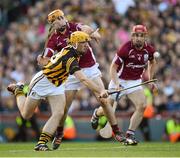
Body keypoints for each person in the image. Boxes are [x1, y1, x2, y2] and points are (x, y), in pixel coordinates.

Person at [38, 9, 126, 150]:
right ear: (52, 24)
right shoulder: (53, 39)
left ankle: (117, 132)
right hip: (71, 73)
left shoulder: (74, 26)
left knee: (103, 100)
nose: (61, 20)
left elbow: (86, 28)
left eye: (61, 17)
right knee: (64, 108)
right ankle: (60, 133)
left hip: (89, 68)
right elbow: (46, 58)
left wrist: (93, 33)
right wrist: (43, 61)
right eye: (57, 19)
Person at [7, 31, 110, 151]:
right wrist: (101, 90)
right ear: (75, 43)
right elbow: (83, 79)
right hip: (43, 82)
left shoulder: (75, 52)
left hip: (57, 84)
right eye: (83, 42)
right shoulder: (70, 58)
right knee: (26, 115)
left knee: (59, 113)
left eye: (87, 42)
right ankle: (19, 91)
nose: (86, 45)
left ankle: (41, 143)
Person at [91, 25, 158, 145]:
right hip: (119, 79)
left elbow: (152, 62)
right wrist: (117, 84)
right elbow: (113, 68)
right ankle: (96, 113)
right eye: (136, 35)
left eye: (141, 36)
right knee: (107, 108)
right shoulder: (125, 49)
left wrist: (151, 79)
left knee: (142, 105)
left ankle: (129, 134)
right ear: (132, 36)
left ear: (145, 37)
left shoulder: (149, 50)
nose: (138, 38)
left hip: (135, 81)